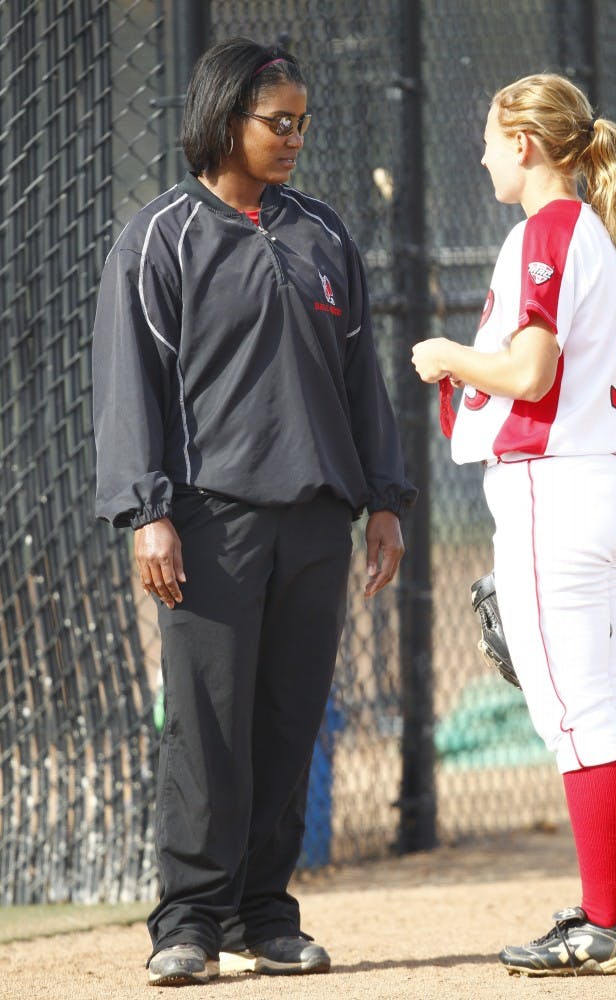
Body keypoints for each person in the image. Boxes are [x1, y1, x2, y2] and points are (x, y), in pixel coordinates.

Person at [93, 37, 416, 988]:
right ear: (224, 118)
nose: (294, 139)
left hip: (317, 519)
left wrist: (384, 504)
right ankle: (186, 920)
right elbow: (129, 389)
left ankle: (265, 915)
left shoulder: (323, 234)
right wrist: (148, 513)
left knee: (287, 720)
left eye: (301, 124)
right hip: (207, 523)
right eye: (278, 123)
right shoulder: (159, 237)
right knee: (207, 725)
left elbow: (362, 381)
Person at [412, 73, 616, 977]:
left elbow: (527, 373)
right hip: (602, 483)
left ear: (524, 142)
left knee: (573, 717)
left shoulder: (547, 229)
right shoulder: (608, 238)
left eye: (489, 139)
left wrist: (443, 354)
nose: (483, 156)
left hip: (550, 490)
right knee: (606, 711)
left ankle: (607, 922)